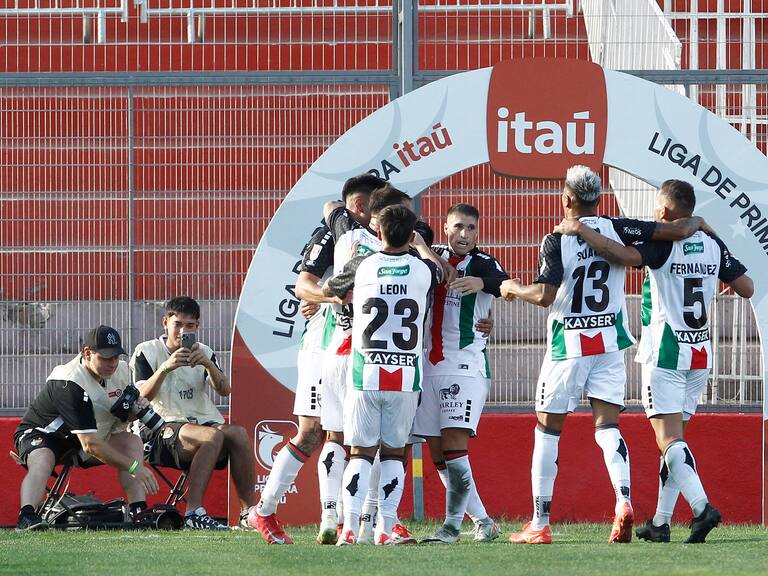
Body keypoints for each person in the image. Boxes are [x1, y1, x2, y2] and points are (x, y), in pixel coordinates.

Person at [500, 165, 710, 544]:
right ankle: (623, 503)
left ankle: (540, 523)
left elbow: (546, 296)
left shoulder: (556, 238)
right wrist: (701, 222)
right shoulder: (619, 228)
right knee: (608, 427)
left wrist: (513, 288)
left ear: (567, 199)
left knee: (547, 430)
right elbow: (679, 229)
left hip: (569, 347)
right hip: (611, 344)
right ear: (599, 198)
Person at [554, 179, 753, 543]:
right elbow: (746, 287)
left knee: (670, 442)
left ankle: (701, 507)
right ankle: (661, 523)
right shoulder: (711, 244)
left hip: (664, 353)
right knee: (675, 443)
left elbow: (623, 256)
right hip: (699, 353)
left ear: (663, 212)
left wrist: (580, 229)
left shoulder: (663, 248)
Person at [322, 204, 443, 545]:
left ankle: (348, 528)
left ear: (379, 233)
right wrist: (420, 246)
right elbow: (439, 271)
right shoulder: (421, 270)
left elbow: (333, 289)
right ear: (411, 235)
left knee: (359, 452)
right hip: (404, 375)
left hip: (365, 373)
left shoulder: (364, 265)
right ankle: (384, 529)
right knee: (393, 453)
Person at [413, 203, 508, 544]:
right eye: (457, 227)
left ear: (478, 232)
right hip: (429, 365)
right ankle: (482, 520)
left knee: (455, 446)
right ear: (446, 227)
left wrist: (483, 284)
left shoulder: (484, 263)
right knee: (438, 453)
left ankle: (451, 527)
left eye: (471, 228)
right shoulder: (430, 255)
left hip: (465, 366)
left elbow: (504, 285)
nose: (464, 234)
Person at [14, 325, 159, 531]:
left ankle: (138, 511)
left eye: (116, 357)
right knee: (43, 456)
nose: (113, 363)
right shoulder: (69, 381)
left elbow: (118, 416)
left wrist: (137, 409)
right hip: (44, 434)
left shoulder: (122, 370)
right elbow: (90, 445)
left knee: (131, 441)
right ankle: (27, 515)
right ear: (87, 353)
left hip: (86, 436)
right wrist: (135, 467)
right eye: (106, 358)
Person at [130, 296, 256, 530]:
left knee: (238, 434)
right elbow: (141, 397)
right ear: (165, 322)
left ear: (197, 327)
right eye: (177, 324)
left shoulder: (204, 351)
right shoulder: (146, 351)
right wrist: (166, 367)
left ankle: (249, 514)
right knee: (212, 436)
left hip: (198, 425)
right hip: (160, 427)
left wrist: (208, 365)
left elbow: (225, 390)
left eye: (189, 326)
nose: (182, 330)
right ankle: (193, 512)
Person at [249, 219, 336, 544]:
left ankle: (343, 519)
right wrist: (329, 297)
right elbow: (304, 286)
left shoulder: (378, 234)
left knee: (351, 436)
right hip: (321, 348)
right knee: (311, 431)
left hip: (355, 350)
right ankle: (265, 509)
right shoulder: (331, 233)